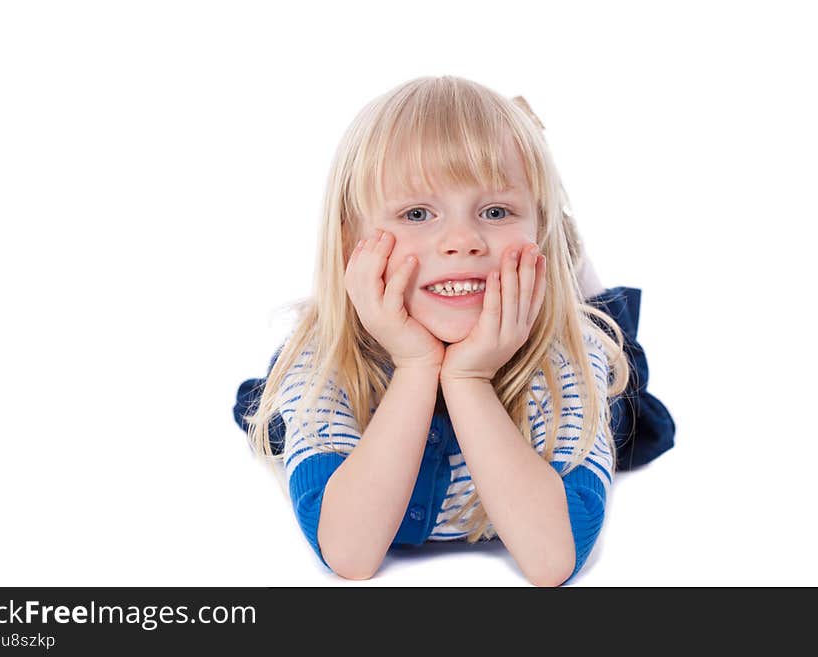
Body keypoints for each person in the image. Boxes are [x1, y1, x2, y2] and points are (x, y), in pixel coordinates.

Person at [232, 76, 675, 586]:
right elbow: (350, 554)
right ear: (353, 239)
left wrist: (469, 380)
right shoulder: (320, 361)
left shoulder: (570, 355)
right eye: (418, 213)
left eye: (495, 210)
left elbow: (555, 558)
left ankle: (566, 246)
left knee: (612, 340)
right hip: (360, 350)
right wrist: (418, 366)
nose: (463, 240)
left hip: (560, 323)